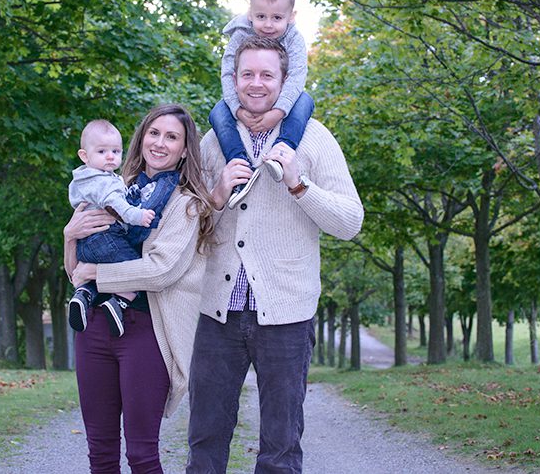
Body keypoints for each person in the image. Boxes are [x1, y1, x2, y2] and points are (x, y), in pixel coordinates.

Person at [188, 36, 364, 473]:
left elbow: (349, 222)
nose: (256, 83)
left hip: (286, 315)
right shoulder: (213, 141)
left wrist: (300, 185)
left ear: (284, 82)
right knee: (205, 440)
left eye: (267, 74)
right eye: (247, 73)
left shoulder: (315, 138)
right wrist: (216, 193)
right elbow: (185, 227)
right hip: (216, 314)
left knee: (281, 446)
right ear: (234, 79)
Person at [64, 104, 215, 474]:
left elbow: (160, 271)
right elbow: (75, 273)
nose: (160, 143)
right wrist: (69, 237)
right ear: (141, 137)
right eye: (154, 133)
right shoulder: (111, 188)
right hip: (94, 328)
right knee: (99, 452)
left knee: (142, 454)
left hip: (146, 333)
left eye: (172, 137)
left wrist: (97, 274)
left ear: (184, 149)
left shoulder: (187, 205)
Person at [208, 0, 315, 209]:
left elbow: (296, 77)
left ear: (291, 17)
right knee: (218, 112)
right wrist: (236, 109)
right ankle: (238, 162)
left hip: (286, 101)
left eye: (277, 18)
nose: (268, 25)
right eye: (261, 17)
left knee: (305, 101)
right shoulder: (240, 34)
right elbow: (228, 73)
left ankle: (282, 150)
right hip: (238, 103)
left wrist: (278, 112)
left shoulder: (294, 39)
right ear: (250, 14)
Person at [67, 119, 179, 338]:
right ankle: (120, 300)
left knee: (87, 282)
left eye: (115, 151)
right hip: (106, 240)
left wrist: (89, 271)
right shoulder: (106, 182)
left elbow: (78, 273)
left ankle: (83, 296)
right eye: (102, 151)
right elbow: (118, 208)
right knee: (133, 268)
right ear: (84, 155)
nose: (110, 156)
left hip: (88, 249)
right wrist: (68, 235)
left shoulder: (91, 179)